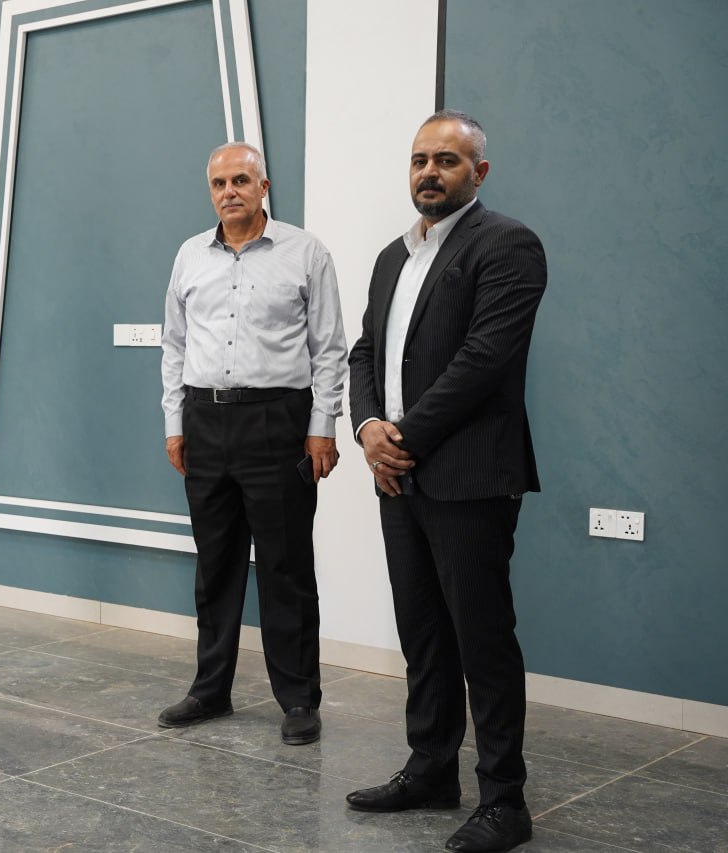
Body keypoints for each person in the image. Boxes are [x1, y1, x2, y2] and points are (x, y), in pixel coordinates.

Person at [345, 110, 547, 853]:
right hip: (399, 476)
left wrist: (403, 438)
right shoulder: (391, 257)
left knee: (482, 638)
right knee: (423, 633)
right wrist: (368, 427)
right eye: (419, 159)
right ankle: (431, 767)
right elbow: (365, 352)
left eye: (447, 160)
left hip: (468, 474)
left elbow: (485, 358)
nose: (429, 171)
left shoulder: (507, 243)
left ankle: (505, 800)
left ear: (478, 172)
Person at [158, 142, 348, 745]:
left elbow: (329, 348)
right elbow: (174, 346)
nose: (229, 192)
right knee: (214, 565)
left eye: (241, 180)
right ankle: (210, 689)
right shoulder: (190, 255)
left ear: (264, 187)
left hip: (278, 423)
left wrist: (322, 427)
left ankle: (298, 698)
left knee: (285, 566)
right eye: (219, 183)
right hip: (205, 419)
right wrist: (175, 423)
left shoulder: (305, 252)